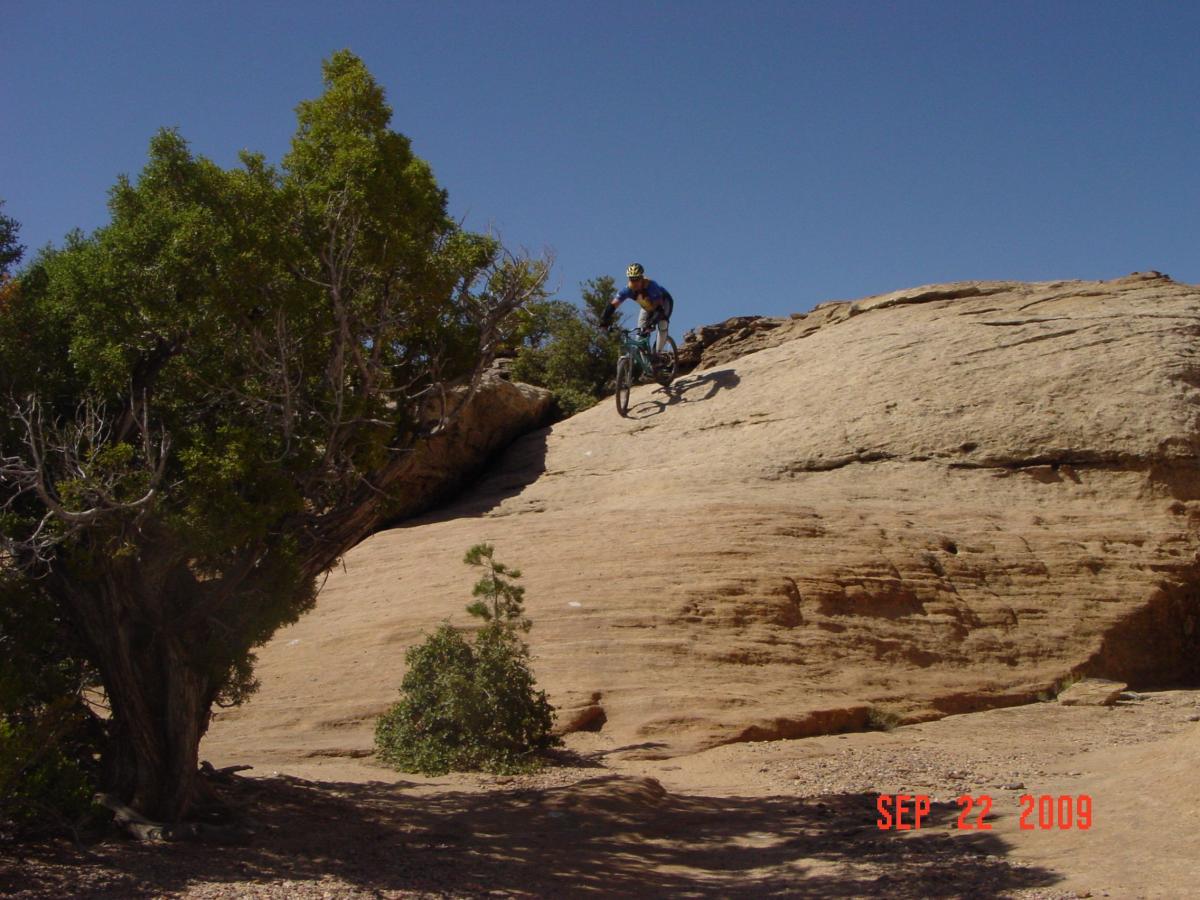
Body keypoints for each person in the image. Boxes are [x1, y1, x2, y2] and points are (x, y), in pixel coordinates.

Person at [600, 262, 674, 353]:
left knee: (662, 324)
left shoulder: (651, 286)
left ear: (642, 278)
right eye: (632, 279)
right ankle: (644, 358)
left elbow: (659, 308)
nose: (634, 282)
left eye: (637, 279)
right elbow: (613, 305)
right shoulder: (627, 290)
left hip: (663, 303)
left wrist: (652, 323)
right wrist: (604, 320)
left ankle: (658, 354)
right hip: (647, 307)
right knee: (640, 333)